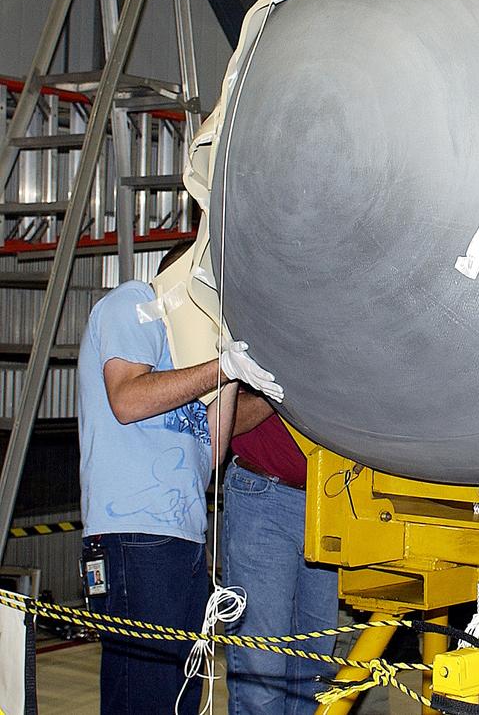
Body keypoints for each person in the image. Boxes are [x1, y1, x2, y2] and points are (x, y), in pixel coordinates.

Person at [78, 244, 281, 715]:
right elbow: (126, 401)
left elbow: (210, 453)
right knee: (143, 693)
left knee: (180, 694)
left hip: (182, 540)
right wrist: (219, 367)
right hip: (134, 536)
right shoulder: (133, 305)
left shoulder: (191, 356)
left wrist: (227, 376)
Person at [223, 406, 338, 713]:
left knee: (317, 669)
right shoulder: (257, 356)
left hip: (330, 503)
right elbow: (221, 420)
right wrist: (280, 394)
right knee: (262, 670)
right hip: (263, 494)